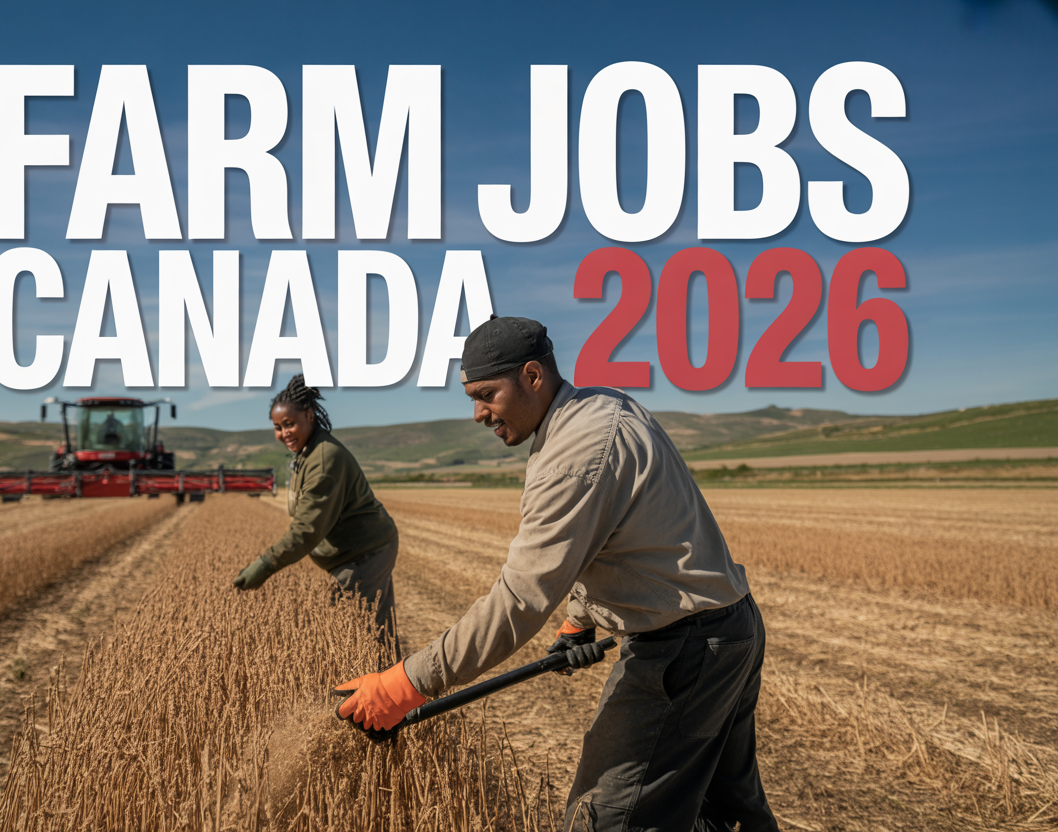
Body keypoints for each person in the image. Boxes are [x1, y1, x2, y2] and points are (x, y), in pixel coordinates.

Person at [334, 317, 778, 832]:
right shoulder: (600, 406)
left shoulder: (577, 454)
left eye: (486, 394)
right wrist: (579, 619)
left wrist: (404, 685)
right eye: (471, 397)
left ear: (531, 376)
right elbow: (612, 538)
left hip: (685, 651)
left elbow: (519, 601)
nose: (478, 413)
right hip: (730, 629)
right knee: (729, 814)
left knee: (607, 818)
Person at [233, 375, 400, 640]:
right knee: (365, 632)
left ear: (309, 416)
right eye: (278, 427)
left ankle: (386, 680)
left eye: (289, 424)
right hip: (354, 552)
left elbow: (306, 531)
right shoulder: (307, 453)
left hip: (365, 553)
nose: (284, 433)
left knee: (364, 637)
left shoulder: (323, 459)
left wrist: (264, 565)